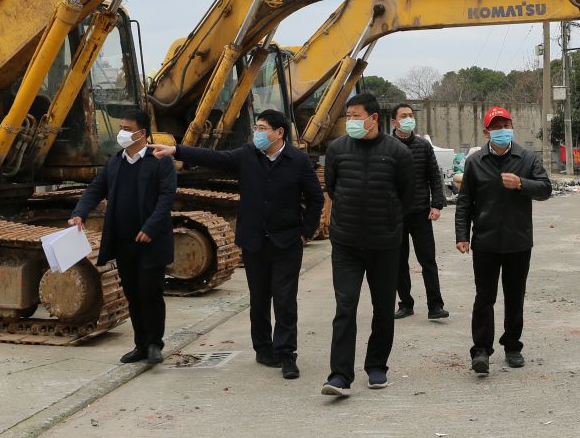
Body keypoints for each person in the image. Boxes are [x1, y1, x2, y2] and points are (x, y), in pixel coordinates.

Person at [151, 109, 321, 380]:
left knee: (285, 300)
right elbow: (214, 157)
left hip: (286, 241)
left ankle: (287, 354)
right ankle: (263, 349)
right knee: (259, 298)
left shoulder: (297, 161)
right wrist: (176, 150)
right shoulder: (247, 155)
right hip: (254, 241)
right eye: (256, 128)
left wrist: (306, 232)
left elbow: (315, 198)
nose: (257, 133)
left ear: (279, 133)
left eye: (263, 128)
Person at [320, 92, 413, 397]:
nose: (351, 121)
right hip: (346, 243)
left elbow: (406, 196)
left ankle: (376, 367)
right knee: (345, 306)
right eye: (348, 116)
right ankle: (339, 375)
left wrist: (388, 222)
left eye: (356, 116)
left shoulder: (398, 152)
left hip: (384, 244)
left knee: (383, 308)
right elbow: (332, 187)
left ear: (373, 118)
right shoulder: (337, 149)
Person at [70, 108, 177, 365]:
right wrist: (79, 213)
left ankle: (154, 344)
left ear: (142, 132)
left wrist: (150, 227)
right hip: (123, 241)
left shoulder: (159, 161)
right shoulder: (115, 162)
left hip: (151, 241)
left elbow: (166, 197)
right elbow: (95, 190)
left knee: (150, 293)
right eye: (121, 128)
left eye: (128, 129)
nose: (122, 133)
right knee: (133, 294)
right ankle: (140, 345)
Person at [454, 106, 551, 375]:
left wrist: (521, 184)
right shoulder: (475, 162)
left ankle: (512, 346)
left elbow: (545, 189)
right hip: (485, 242)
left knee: (515, 297)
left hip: (518, 241)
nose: (502, 131)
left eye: (505, 126)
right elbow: (464, 202)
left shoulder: (526, 158)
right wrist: (462, 235)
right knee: (484, 298)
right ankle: (481, 350)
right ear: (486, 132)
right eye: (496, 127)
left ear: (512, 127)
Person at [390, 102, 448, 322]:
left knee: (428, 260)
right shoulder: (386, 146)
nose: (408, 119)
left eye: (410, 115)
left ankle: (436, 306)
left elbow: (434, 176)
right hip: (395, 215)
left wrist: (437, 204)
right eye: (403, 116)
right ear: (394, 122)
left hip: (421, 213)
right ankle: (405, 304)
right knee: (398, 262)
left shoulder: (423, 146)